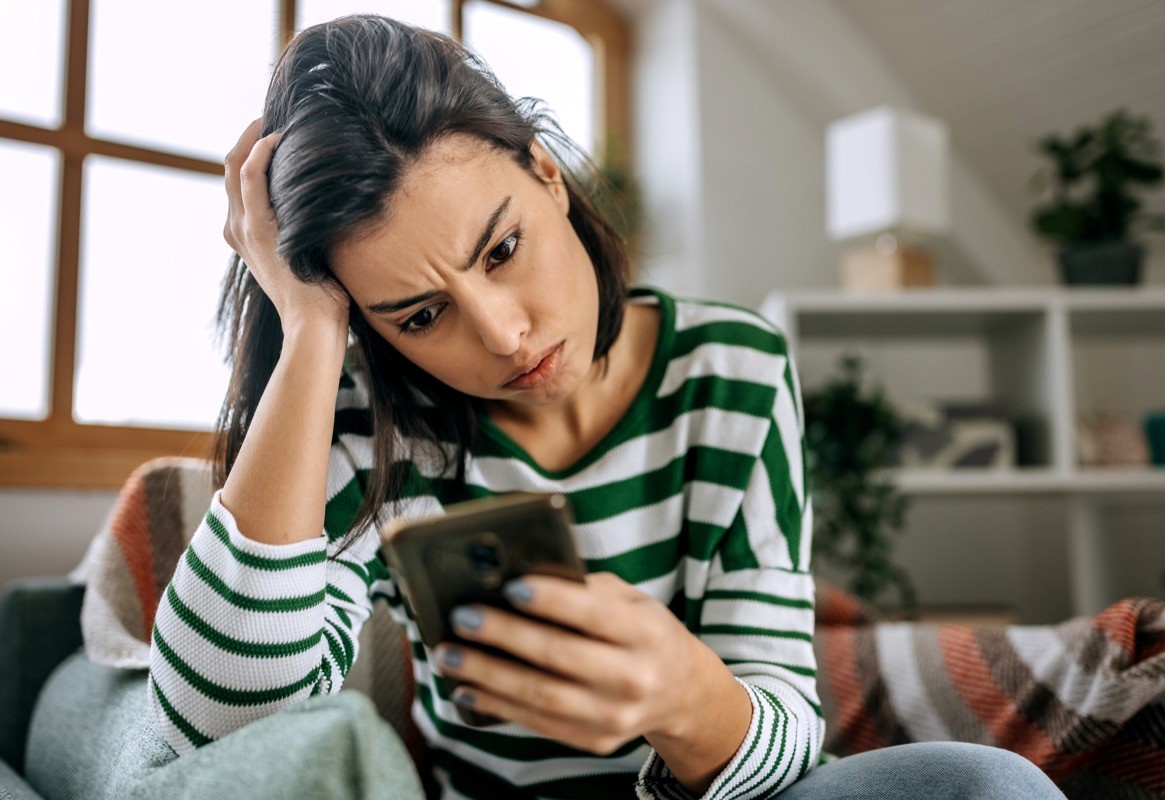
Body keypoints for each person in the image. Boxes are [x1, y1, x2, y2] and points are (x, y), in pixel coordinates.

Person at [147, 14, 1066, 800]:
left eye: (502, 249)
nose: (503, 335)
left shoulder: (731, 370)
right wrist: (307, 327)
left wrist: (682, 699)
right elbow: (216, 724)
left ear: (547, 173)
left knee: (994, 787)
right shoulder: (368, 426)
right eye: (422, 316)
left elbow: (785, 721)